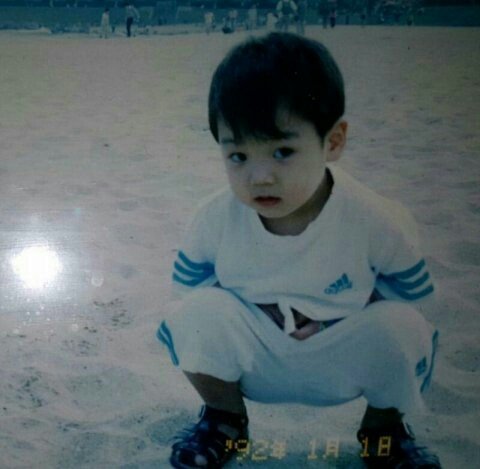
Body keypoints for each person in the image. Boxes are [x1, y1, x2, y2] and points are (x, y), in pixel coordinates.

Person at [157, 33, 442, 469]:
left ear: (334, 141)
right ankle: (224, 419)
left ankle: (383, 432)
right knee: (194, 314)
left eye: (282, 151)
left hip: (343, 356)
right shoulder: (214, 218)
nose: (260, 177)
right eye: (238, 156)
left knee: (404, 327)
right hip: (257, 359)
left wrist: (337, 315)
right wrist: (260, 310)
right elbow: (190, 288)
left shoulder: (374, 218)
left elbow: (413, 295)